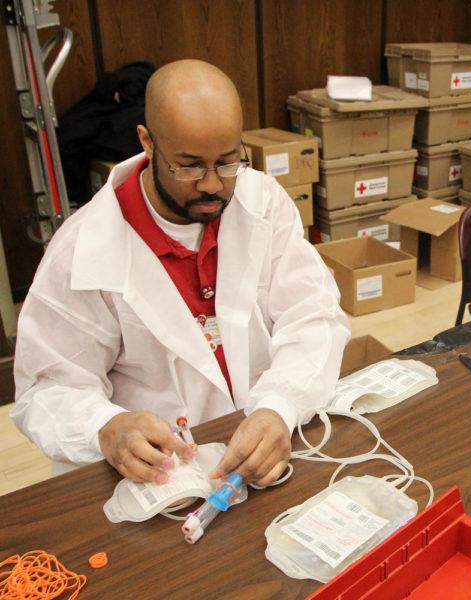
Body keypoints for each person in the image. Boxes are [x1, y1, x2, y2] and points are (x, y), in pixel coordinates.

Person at [12, 60, 350, 487]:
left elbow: (314, 316)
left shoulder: (261, 202)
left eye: (228, 162)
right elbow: (47, 389)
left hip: (264, 449)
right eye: (189, 166)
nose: (211, 184)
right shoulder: (84, 249)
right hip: (160, 478)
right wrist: (104, 426)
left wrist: (280, 404)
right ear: (148, 143)